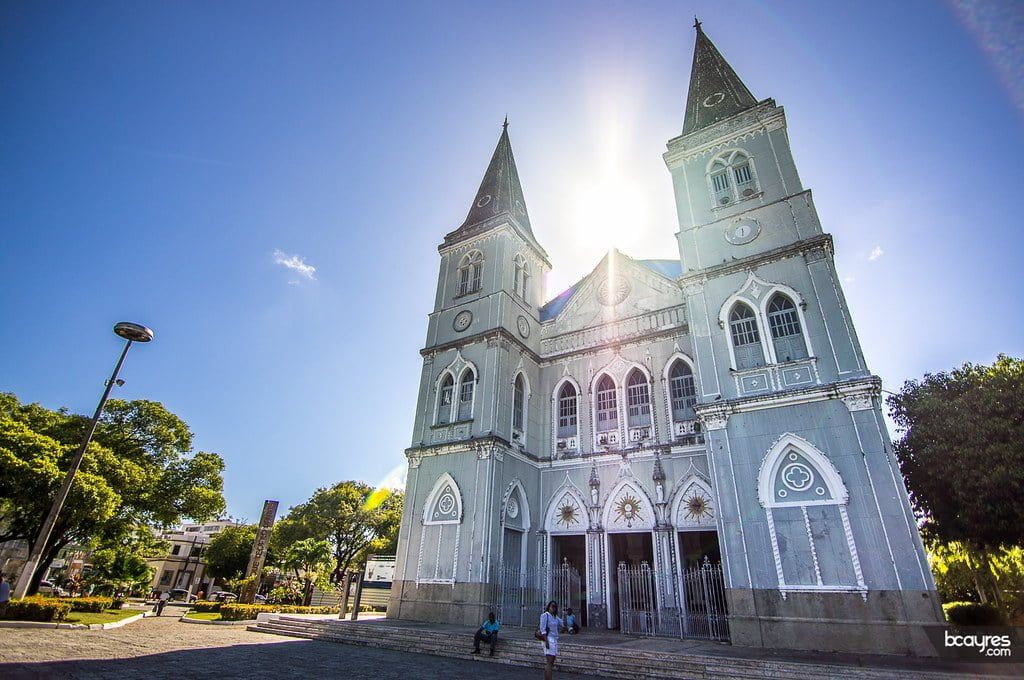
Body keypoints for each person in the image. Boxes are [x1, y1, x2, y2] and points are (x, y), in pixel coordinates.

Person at [538, 600, 563, 680]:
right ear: (549, 607)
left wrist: (565, 615)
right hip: (548, 639)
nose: (553, 608)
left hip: (554, 639)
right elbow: (542, 629)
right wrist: (546, 641)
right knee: (549, 662)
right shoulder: (545, 615)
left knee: (551, 662)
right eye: (552, 606)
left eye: (555, 607)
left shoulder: (555, 617)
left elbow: (562, 624)